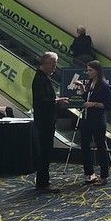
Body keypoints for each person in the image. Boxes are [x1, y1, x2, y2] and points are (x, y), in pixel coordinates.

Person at [32, 51, 69, 192]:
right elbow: (41, 101)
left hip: (45, 121)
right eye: (53, 64)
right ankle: (43, 183)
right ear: (46, 63)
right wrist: (56, 101)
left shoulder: (42, 78)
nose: (55, 67)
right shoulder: (40, 79)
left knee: (46, 152)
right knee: (44, 152)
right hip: (44, 122)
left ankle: (43, 181)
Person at [73, 60, 111, 186]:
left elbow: (107, 105)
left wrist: (93, 104)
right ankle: (89, 173)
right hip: (87, 119)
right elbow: (87, 99)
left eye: (90, 70)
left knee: (100, 147)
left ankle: (104, 175)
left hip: (98, 120)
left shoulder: (103, 85)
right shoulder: (90, 84)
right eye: (87, 70)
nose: (87, 72)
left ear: (97, 71)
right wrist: (82, 88)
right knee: (85, 145)